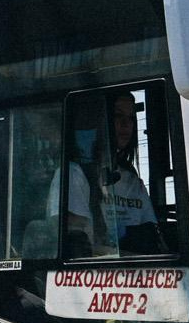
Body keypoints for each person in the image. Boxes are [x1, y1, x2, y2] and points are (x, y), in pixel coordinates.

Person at [59, 90, 159, 255]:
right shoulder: (73, 175)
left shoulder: (134, 183)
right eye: (117, 116)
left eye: (131, 118)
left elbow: (152, 239)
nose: (126, 124)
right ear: (100, 121)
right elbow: (79, 249)